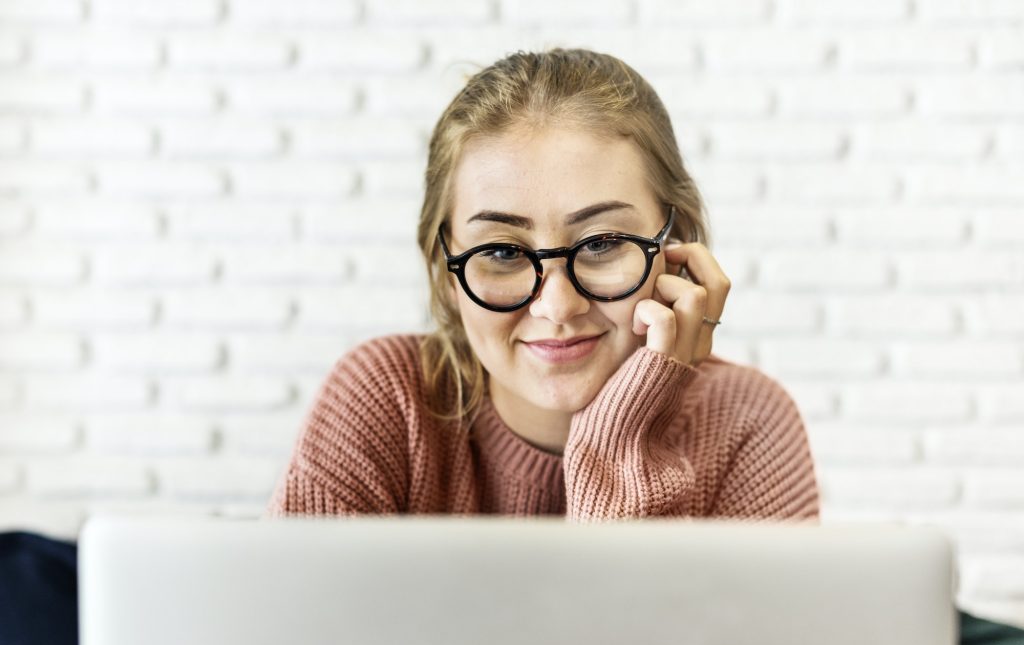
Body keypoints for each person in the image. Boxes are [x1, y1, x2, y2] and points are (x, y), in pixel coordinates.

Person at [267, 47, 818, 520]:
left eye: (602, 244)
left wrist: (625, 435)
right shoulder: (386, 398)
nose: (557, 305)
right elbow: (286, 640)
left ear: (678, 247)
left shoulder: (747, 421)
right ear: (446, 266)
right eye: (502, 252)